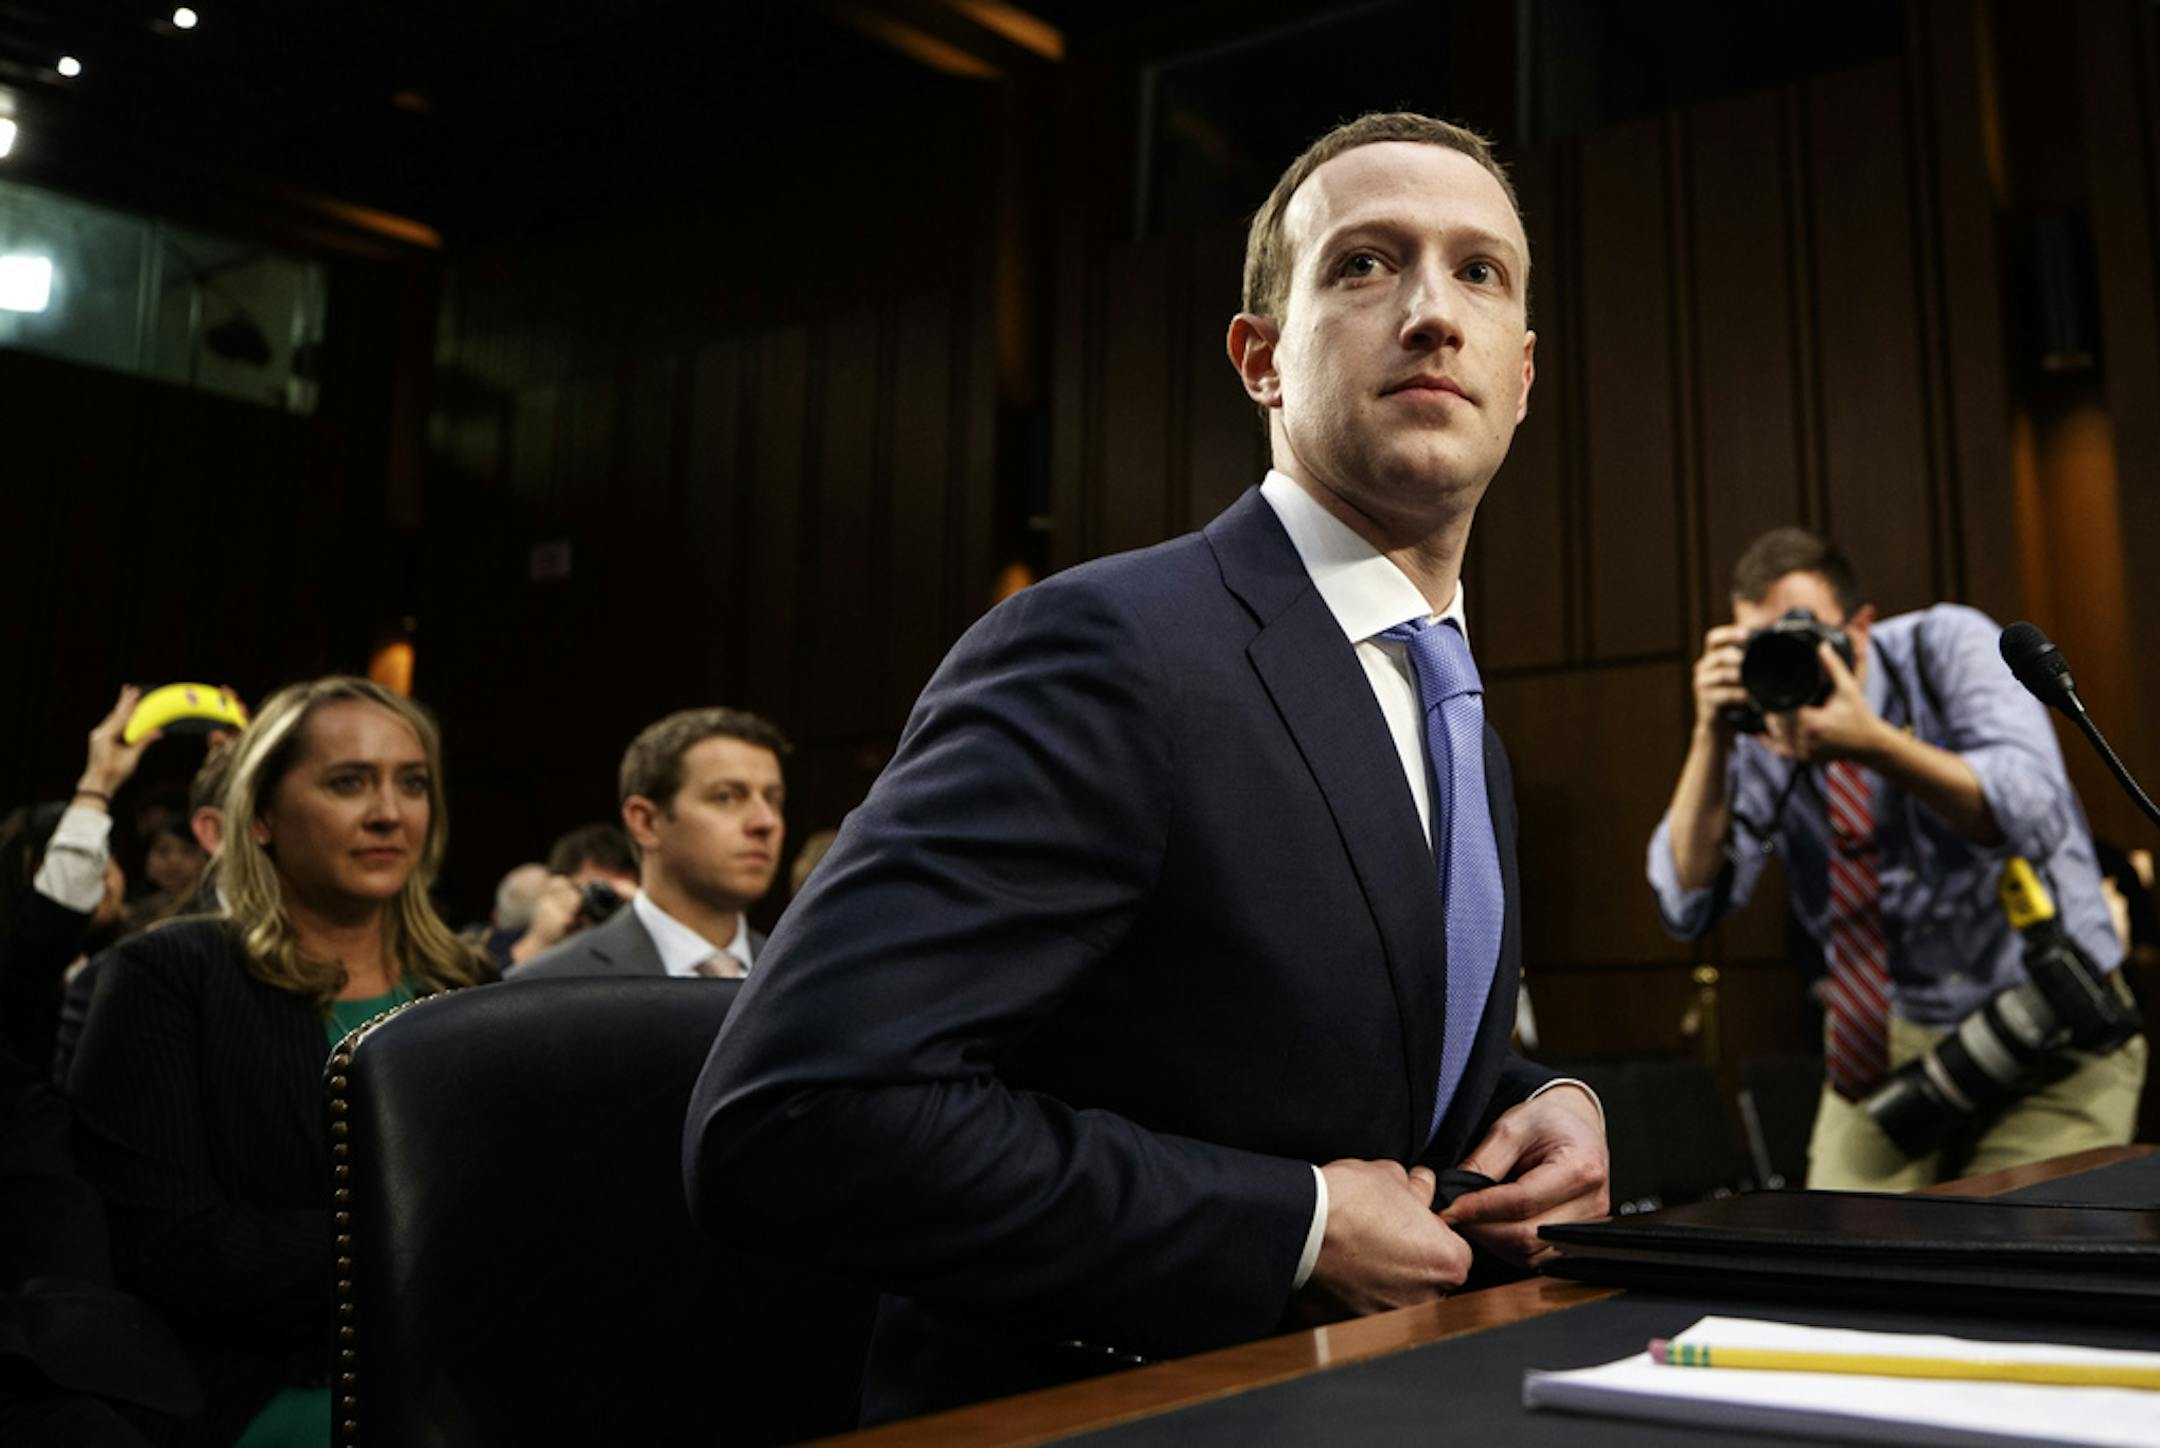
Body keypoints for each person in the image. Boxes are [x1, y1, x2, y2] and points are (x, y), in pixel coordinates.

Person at [684, 111, 1608, 1422]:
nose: (1430, 311)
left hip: (1385, 1393)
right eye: (1362, 264)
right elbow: (794, 1119)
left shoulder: (1460, 718)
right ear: (1259, 360)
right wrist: (1289, 1226)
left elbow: (1298, 1034)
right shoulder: (1106, 647)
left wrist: (1547, 1099)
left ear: (1524, 375)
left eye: (1480, 271)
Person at [1648, 527, 2144, 1189]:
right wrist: (1710, 733)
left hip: (2049, 1022)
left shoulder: (1946, 648)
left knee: (2012, 1254)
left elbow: (2036, 812)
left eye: (1800, 635)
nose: (1784, 661)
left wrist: (1876, 745)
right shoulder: (1766, 719)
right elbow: (1688, 901)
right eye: (1760, 644)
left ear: (1859, 630)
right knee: (1846, 1258)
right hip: (1886, 1044)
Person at [65, 677, 491, 1445]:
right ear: (260, 815)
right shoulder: (166, 977)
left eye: (412, 783)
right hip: (252, 1400)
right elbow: (169, 1248)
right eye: (348, 782)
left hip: (468, 1383)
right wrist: (424, 1252)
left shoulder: (474, 990)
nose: (389, 813)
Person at [508, 709, 787, 982]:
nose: (766, 821)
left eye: (774, 800)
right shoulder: (549, 987)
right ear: (646, 822)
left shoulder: (802, 980)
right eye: (726, 797)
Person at [0, 688, 154, 1078]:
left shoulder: (152, 950)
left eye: (108, 858)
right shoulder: (17, 971)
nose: (101, 874)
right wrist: (98, 782)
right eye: (88, 858)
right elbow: (51, 920)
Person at [491, 822, 642, 970]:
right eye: (597, 894)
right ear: (555, 888)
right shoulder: (498, 945)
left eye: (616, 898)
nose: (606, 907)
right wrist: (537, 943)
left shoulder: (639, 945)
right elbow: (486, 991)